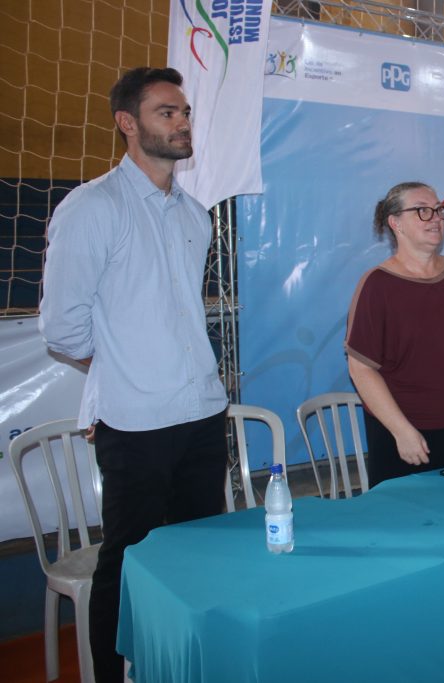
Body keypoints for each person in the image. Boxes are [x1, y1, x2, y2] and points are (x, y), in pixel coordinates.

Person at [38, 67, 229, 683]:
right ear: (127, 123)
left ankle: (188, 668)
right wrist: (124, 368)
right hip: (136, 422)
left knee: (200, 553)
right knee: (128, 564)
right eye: (166, 113)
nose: (182, 122)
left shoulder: (195, 215)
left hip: (203, 414)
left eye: (185, 112)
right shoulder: (92, 207)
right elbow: (62, 329)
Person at [346, 182, 444, 487]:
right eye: (422, 211)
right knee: (407, 516)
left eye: (439, 210)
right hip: (406, 438)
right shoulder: (377, 286)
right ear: (395, 223)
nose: (436, 218)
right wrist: (401, 430)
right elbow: (361, 368)